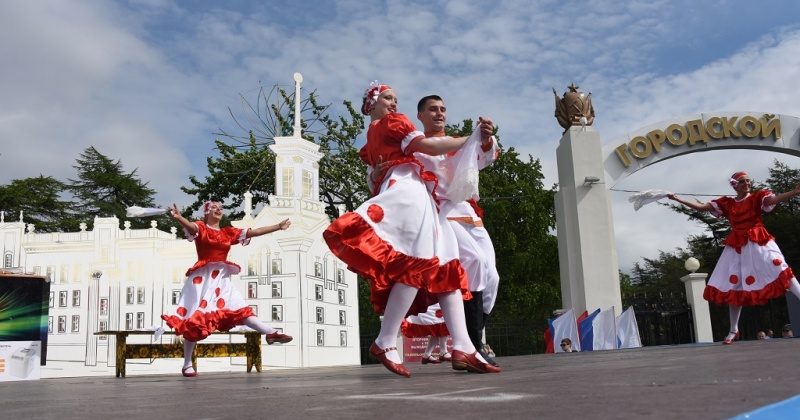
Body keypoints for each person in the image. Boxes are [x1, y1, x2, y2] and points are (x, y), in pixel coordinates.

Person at [323, 81, 500, 377]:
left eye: (395, 98)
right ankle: (388, 339)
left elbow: (478, 158)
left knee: (447, 268)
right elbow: (425, 148)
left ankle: (464, 345)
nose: (394, 103)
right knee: (420, 265)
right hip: (415, 196)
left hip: (429, 202)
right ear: (373, 104)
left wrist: (478, 141)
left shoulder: (378, 134)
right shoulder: (395, 124)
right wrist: (469, 139)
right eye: (388, 98)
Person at [370, 94, 501, 366]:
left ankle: (470, 342)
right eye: (432, 109)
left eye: (442, 109)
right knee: (472, 264)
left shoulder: (453, 142)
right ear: (420, 115)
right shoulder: (416, 143)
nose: (439, 113)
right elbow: (379, 168)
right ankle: (472, 345)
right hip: (441, 214)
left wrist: (485, 138)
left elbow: (484, 157)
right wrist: (374, 175)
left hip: (468, 214)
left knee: (492, 278)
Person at [161, 201, 293, 377]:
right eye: (214, 208)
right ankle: (187, 364)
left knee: (240, 309)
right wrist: (178, 218)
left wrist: (278, 226)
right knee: (195, 320)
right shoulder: (202, 228)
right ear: (207, 212)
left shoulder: (227, 233)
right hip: (203, 280)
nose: (219, 210)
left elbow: (254, 232)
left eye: (221, 208)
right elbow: (191, 227)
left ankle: (270, 333)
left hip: (222, 280)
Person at [668, 171, 800, 344]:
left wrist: (794, 191)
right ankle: (733, 329)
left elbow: (772, 200)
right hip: (738, 246)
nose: (747, 183)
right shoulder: (728, 204)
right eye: (742, 181)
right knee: (734, 284)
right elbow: (702, 207)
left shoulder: (757, 198)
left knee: (781, 269)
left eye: (748, 181)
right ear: (734, 185)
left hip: (758, 241)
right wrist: (678, 199)